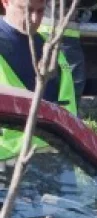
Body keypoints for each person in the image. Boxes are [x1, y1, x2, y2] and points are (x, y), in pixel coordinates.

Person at [0, 0, 78, 161]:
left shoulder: (51, 49)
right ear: (5, 2)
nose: (34, 19)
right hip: (7, 162)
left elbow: (67, 107)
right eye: (27, 10)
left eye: (40, 11)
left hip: (56, 160)